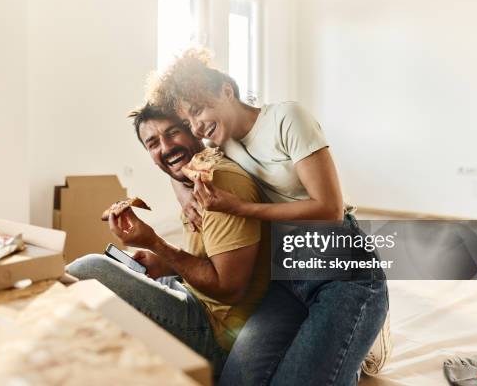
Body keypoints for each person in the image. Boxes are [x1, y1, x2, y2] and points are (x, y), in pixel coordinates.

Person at [147, 48, 389, 386]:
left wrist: (241, 208)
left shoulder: (286, 118)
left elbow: (330, 209)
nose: (197, 127)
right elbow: (173, 159)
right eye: (189, 122)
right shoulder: (222, 145)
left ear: (226, 91)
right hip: (286, 275)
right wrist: (182, 190)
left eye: (199, 110)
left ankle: (353, 348)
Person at [66, 104, 270, 377]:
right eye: (153, 143)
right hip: (194, 298)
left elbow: (228, 288)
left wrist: (154, 242)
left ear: (193, 128)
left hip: (216, 332)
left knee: (88, 269)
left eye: (173, 132)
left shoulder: (217, 184)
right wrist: (164, 262)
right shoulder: (190, 180)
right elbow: (212, 257)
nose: (166, 147)